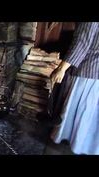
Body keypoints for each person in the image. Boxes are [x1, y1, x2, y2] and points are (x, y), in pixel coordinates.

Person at [50, 22, 99, 155]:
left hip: (90, 71)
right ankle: (86, 145)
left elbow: (82, 43)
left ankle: (76, 143)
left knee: (82, 108)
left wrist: (61, 69)